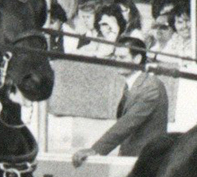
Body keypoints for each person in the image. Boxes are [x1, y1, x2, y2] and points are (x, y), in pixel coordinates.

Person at [72, 35, 168, 165]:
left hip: (146, 161)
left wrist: (96, 149)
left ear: (137, 59)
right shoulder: (135, 84)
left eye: (122, 57)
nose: (116, 61)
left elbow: (127, 124)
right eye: (115, 57)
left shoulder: (150, 88)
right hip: (134, 157)